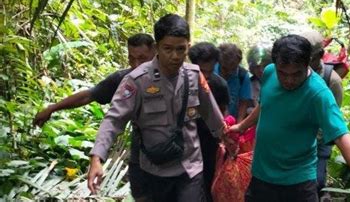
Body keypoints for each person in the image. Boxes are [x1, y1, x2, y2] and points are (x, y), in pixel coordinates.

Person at [87, 14, 232, 201]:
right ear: (157, 47)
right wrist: (97, 157)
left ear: (188, 46)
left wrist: (227, 138)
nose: (175, 56)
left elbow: (212, 113)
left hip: (190, 168)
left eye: (181, 49)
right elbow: (114, 119)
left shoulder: (194, 76)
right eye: (168, 49)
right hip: (154, 171)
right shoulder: (137, 80)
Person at [229, 35, 350, 202]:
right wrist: (242, 127)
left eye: (296, 74)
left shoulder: (318, 93)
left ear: (308, 63)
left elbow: (341, 135)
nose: (289, 80)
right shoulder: (269, 73)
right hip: (261, 175)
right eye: (283, 73)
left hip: (297, 182)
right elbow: (264, 105)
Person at [33, 33, 156, 127]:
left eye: (142, 58)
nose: (136, 65)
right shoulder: (123, 79)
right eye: (131, 58)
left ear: (155, 52)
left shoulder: (172, 75)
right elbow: (88, 96)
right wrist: (52, 108)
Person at [300, 30, 343, 197]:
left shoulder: (332, 81)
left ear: (320, 55)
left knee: (316, 182)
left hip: (318, 142)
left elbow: (332, 119)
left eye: (308, 58)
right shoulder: (297, 74)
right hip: (296, 139)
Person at [188, 42, 231, 202]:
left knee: (209, 182)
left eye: (209, 71)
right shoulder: (182, 82)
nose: (205, 76)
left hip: (209, 143)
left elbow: (222, 114)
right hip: (186, 141)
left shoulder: (219, 85)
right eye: (201, 71)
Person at [215, 43, 252, 122]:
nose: (229, 72)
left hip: (231, 122)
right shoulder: (211, 71)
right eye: (225, 68)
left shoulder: (242, 76)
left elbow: (244, 102)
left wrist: (239, 124)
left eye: (233, 69)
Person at [246, 45, 272, 114]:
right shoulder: (249, 84)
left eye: (264, 66)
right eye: (257, 67)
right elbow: (247, 106)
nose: (261, 70)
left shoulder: (279, 82)